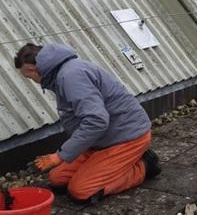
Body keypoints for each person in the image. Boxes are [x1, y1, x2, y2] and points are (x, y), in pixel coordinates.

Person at [14, 43, 161, 203]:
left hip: (126, 137)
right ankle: (116, 165)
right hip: (102, 140)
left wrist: (59, 156)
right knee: (57, 179)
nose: (32, 81)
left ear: (33, 70)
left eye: (29, 77)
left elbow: (96, 121)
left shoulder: (71, 76)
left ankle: (144, 166)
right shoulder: (61, 74)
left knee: (80, 191)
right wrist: (66, 153)